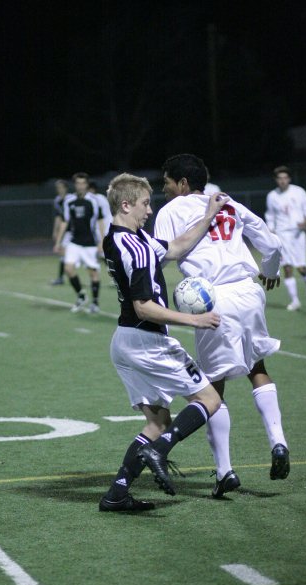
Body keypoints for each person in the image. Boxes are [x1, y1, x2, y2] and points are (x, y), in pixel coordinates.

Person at [154, 153, 290, 491]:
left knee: (212, 385)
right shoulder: (228, 203)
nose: (164, 188)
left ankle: (225, 470)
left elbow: (163, 254)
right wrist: (269, 272)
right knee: (257, 365)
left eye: (167, 181)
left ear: (182, 183)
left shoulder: (171, 211)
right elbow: (272, 243)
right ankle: (278, 441)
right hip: (248, 291)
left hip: (213, 298)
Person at [99, 172, 231, 513]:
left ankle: (116, 494)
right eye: (145, 204)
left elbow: (176, 247)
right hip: (148, 342)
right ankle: (159, 450)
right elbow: (144, 306)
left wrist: (208, 216)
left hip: (125, 341)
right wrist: (194, 320)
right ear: (126, 204)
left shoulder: (124, 238)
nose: (149, 210)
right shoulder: (137, 248)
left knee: (157, 423)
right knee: (210, 399)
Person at [265, 165, 306, 311]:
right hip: (282, 235)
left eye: (285, 178)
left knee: (301, 268)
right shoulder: (272, 196)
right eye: (279, 178)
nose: (282, 181)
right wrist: (271, 231)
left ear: (289, 179)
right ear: (276, 180)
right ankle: (295, 301)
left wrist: (305, 222)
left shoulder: (299, 192)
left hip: (297, 234)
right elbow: (270, 215)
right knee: (287, 267)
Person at [54, 172, 105, 314]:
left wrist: (102, 240)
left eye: (83, 183)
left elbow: (100, 221)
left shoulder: (93, 201)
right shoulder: (69, 201)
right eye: (78, 183)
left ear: (87, 185)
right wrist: (58, 242)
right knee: (68, 268)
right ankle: (81, 295)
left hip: (90, 243)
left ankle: (95, 302)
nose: (80, 186)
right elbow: (65, 221)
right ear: (74, 185)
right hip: (74, 242)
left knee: (93, 273)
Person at [50, 179, 73, 285]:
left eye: (61, 187)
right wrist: (56, 231)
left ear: (66, 188)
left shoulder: (71, 199)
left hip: (75, 230)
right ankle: (61, 278)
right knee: (63, 253)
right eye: (57, 188)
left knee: (98, 255)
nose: (59, 190)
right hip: (67, 231)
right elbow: (58, 217)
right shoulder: (57, 200)